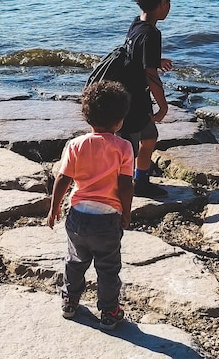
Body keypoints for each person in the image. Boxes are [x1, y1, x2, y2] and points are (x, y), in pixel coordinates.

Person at [46, 80, 135, 331]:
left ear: (87, 117)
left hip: (77, 216)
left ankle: (70, 302)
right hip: (107, 219)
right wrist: (126, 213)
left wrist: (54, 208)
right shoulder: (124, 147)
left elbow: (63, 178)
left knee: (75, 260)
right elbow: (126, 185)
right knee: (107, 268)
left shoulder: (76, 145)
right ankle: (109, 312)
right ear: (119, 121)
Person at [118, 0, 173, 198]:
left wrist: (155, 61)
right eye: (168, 2)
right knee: (128, 147)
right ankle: (122, 188)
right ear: (162, 4)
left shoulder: (136, 24)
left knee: (149, 138)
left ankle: (141, 181)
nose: (169, 7)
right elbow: (151, 76)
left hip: (132, 95)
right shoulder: (152, 33)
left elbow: (134, 55)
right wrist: (163, 107)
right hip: (132, 101)